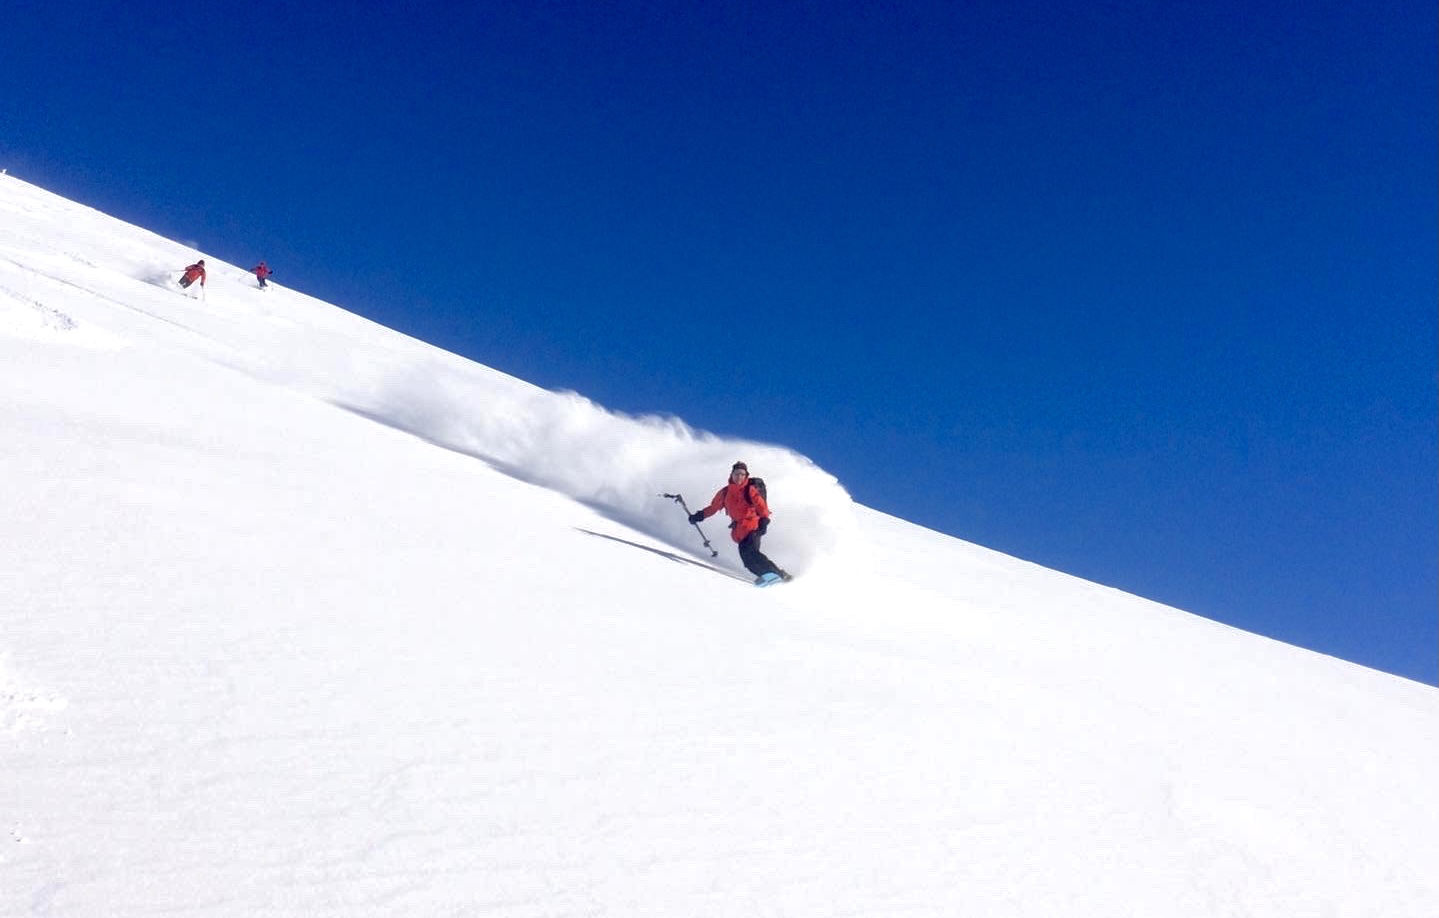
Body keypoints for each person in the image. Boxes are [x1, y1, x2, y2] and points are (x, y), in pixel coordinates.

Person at [689, 461, 791, 583]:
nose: (739, 476)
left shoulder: (750, 490)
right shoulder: (725, 492)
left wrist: (764, 520)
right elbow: (713, 508)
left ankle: (779, 574)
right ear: (731, 475)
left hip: (753, 526)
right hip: (739, 531)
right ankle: (768, 577)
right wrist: (699, 515)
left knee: (752, 552)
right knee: (747, 561)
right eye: (737, 473)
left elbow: (761, 506)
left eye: (742, 474)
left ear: (746, 476)